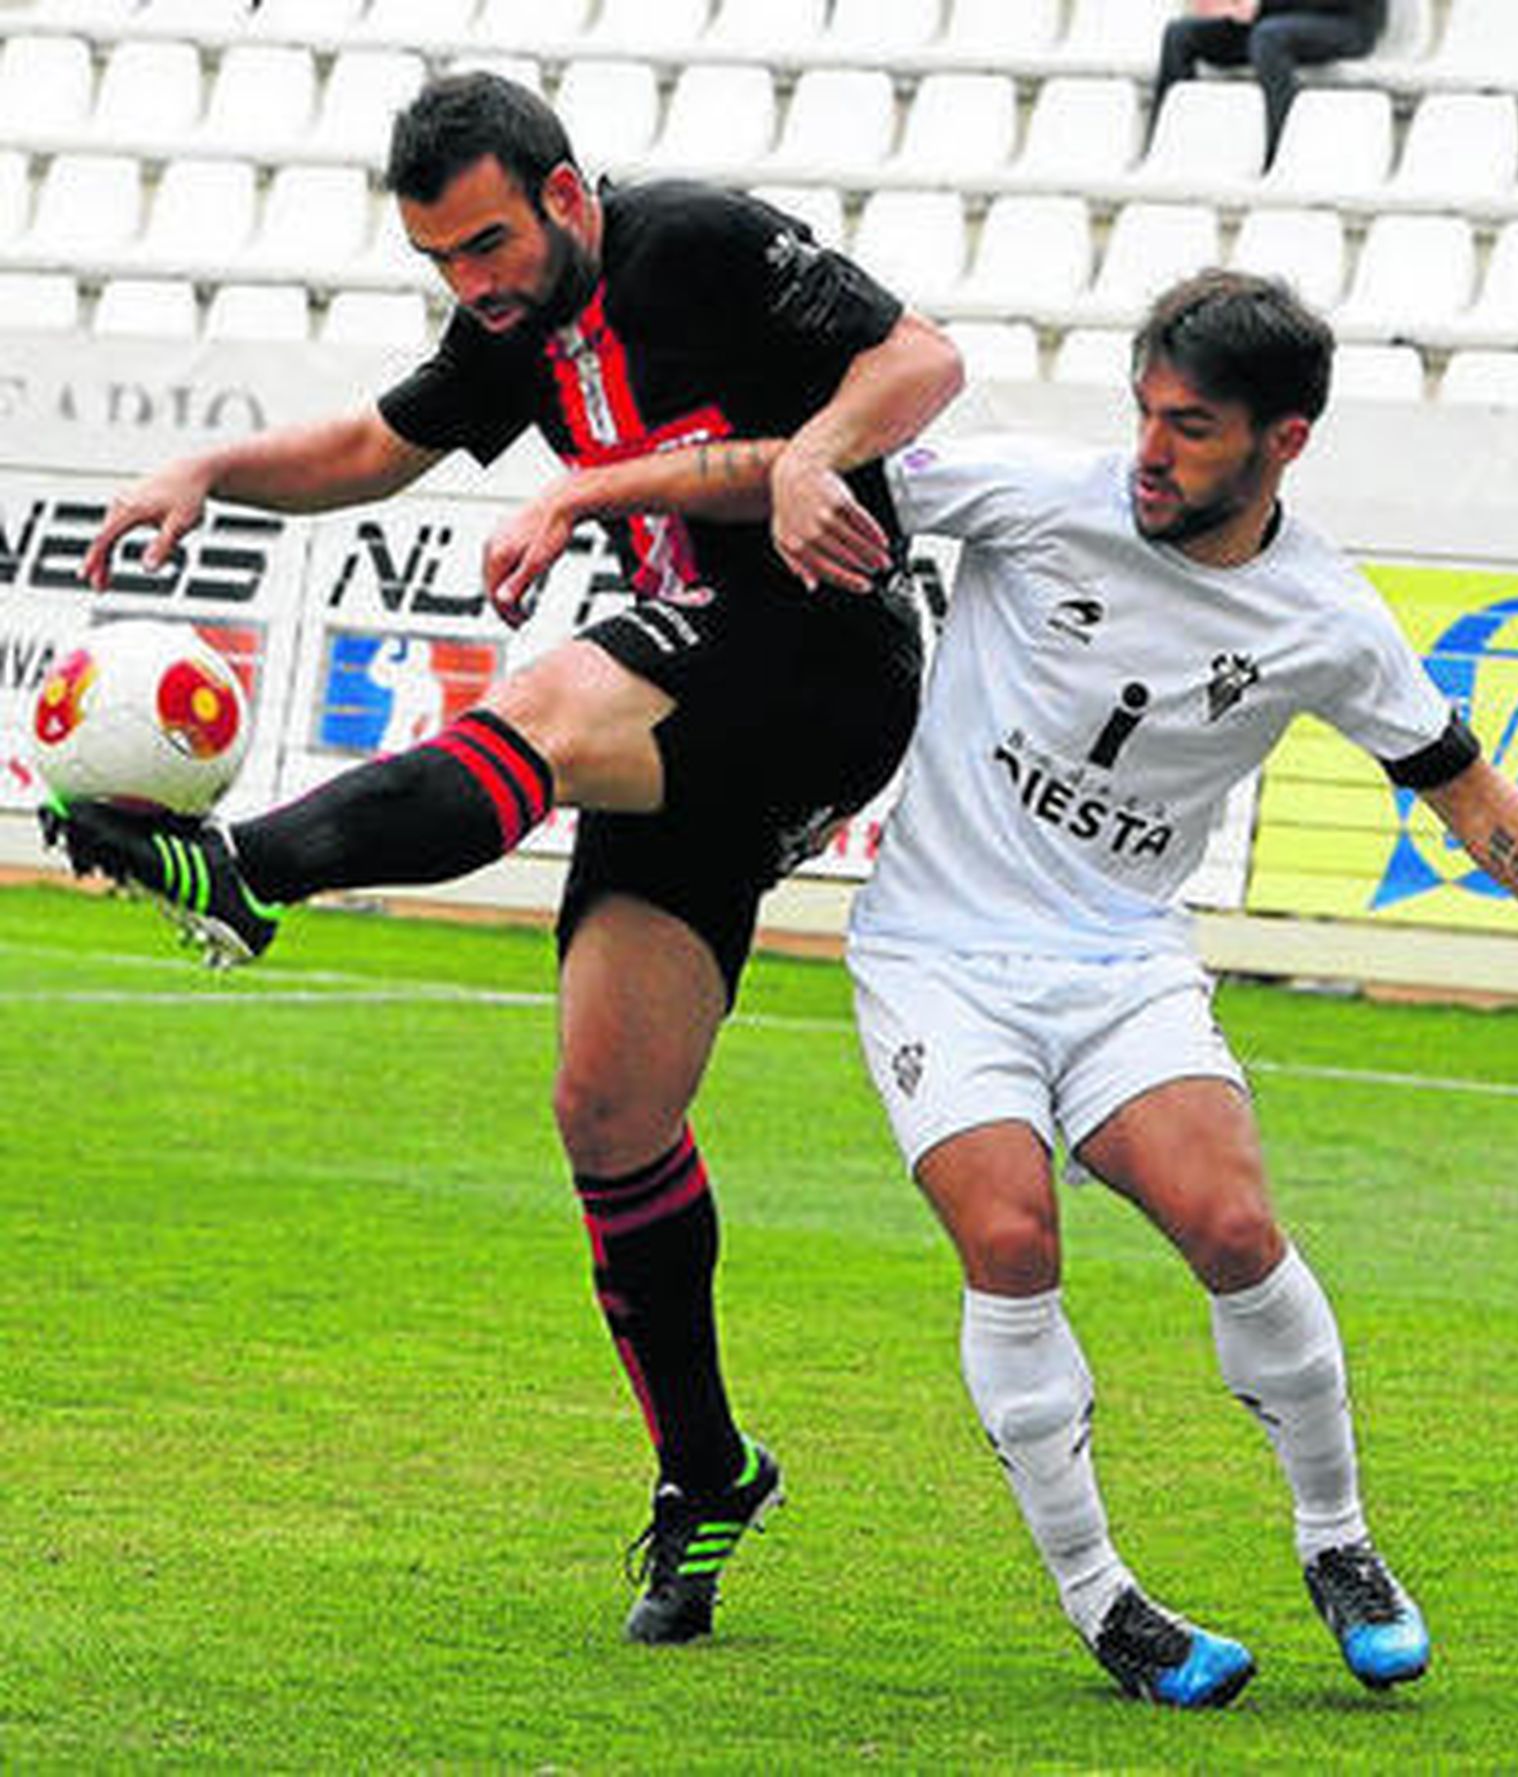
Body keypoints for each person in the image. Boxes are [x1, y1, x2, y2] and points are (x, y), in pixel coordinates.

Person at [45, 71, 963, 1645]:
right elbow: (371, 447)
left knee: (544, 706)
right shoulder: (509, 331)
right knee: (609, 1110)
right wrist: (207, 471)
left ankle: (250, 869)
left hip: (824, 657)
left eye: (486, 244)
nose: (471, 283)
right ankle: (708, 1469)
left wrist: (813, 454)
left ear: (566, 195)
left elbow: (921, 357)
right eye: (440, 261)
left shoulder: (695, 243)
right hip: (693, 702)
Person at [843, 271, 1518, 1705]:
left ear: (1282, 441)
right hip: (937, 951)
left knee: (1234, 1224)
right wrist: (637, 489)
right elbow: (815, 475)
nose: (1148, 450)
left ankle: (1339, 1539)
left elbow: (1467, 793)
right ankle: (1103, 1599)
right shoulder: (1028, 494)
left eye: (1190, 427)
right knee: (1010, 1234)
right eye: (1143, 412)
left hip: (1120, 959)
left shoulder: (1326, 617)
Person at [1152, 0, 1387, 164]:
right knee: (1179, 35)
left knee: (1269, 38)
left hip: (1345, 22)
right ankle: (1168, 146)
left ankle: (1281, 153)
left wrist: (1261, 4)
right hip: (1272, 19)